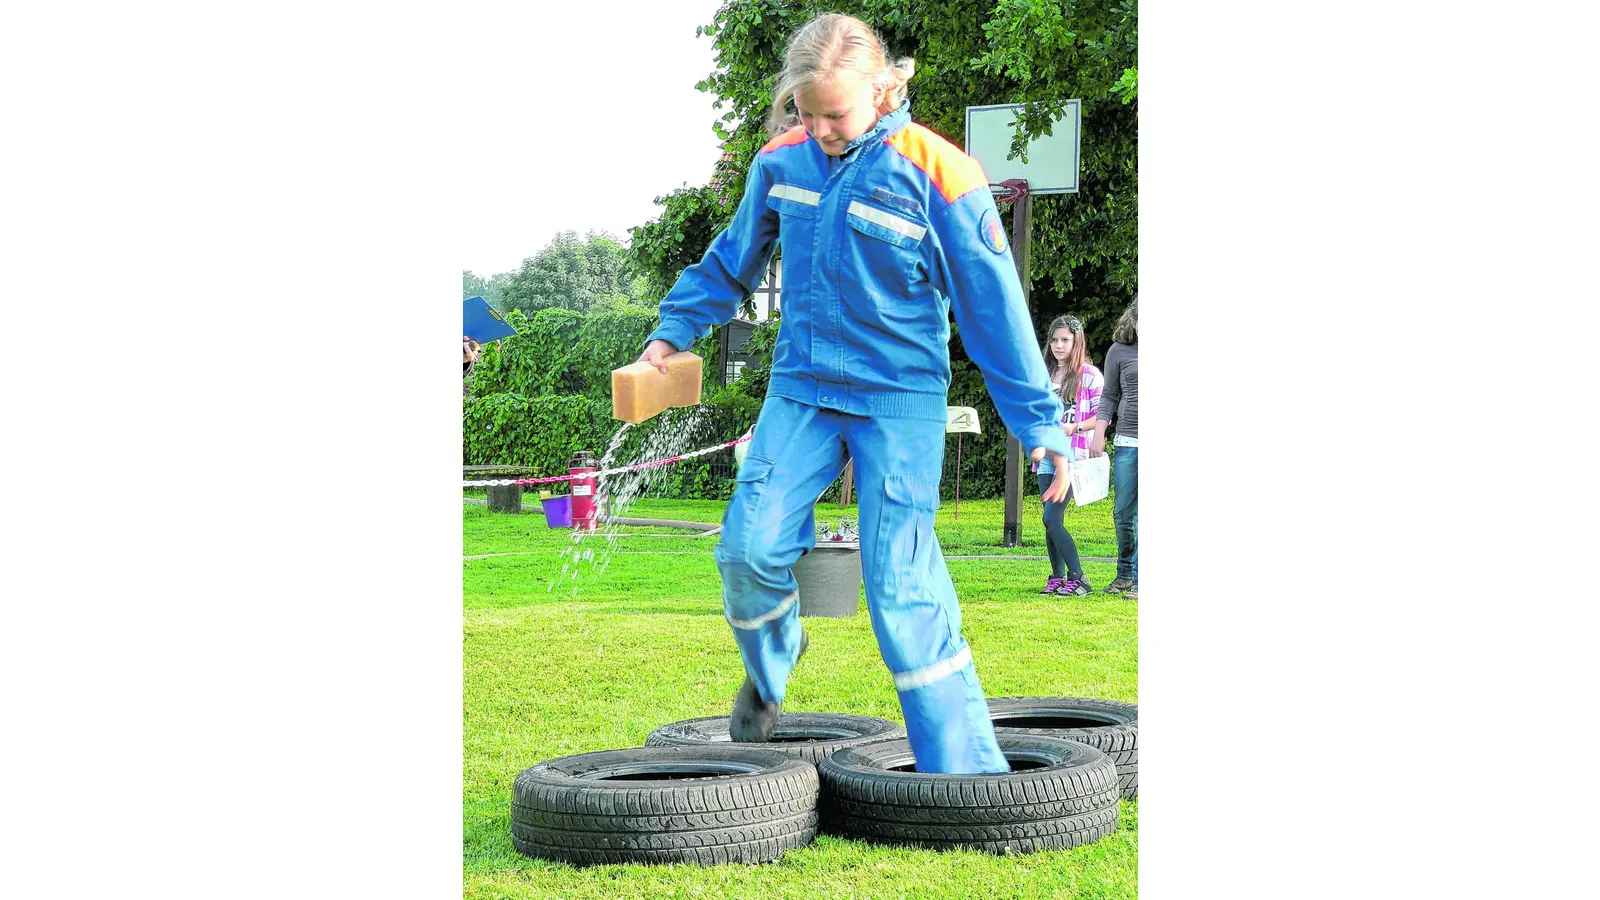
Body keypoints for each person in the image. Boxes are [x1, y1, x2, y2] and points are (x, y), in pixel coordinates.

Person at [635, 12, 1073, 775]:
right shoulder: (781, 162)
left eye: (834, 114)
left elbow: (994, 314)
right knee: (746, 548)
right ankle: (770, 671)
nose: (820, 128)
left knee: (901, 586)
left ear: (883, 88)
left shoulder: (941, 174)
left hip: (899, 398)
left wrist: (1041, 424)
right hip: (802, 389)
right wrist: (671, 333)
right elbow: (729, 262)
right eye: (806, 112)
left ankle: (964, 775)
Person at [1034, 315, 1105, 598]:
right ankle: (1058, 577)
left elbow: (1101, 416)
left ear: (1077, 342)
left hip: (1074, 455)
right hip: (1047, 456)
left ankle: (1079, 578)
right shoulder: (1044, 375)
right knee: (1049, 519)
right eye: (1054, 340)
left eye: (1065, 340)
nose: (1058, 346)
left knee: (1052, 518)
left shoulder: (1089, 375)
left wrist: (1074, 427)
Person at [1096, 298, 1138, 599]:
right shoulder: (1118, 351)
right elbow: (1109, 395)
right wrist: (1099, 431)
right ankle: (1124, 575)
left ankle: (1140, 581)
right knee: (1123, 514)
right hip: (1128, 440)